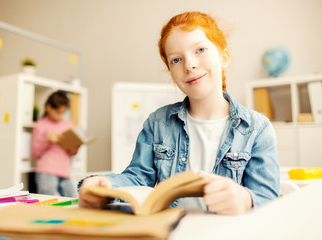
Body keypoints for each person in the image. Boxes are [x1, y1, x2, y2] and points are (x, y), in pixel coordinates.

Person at [78, 11, 280, 215]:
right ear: (170, 70)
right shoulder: (158, 123)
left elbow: (268, 199)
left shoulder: (257, 128)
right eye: (176, 60)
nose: (190, 65)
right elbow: (138, 177)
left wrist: (245, 200)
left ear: (224, 57)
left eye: (200, 49)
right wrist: (105, 184)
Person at [32, 91, 78, 197]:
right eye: (58, 112)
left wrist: (73, 150)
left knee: (74, 201)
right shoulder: (41, 125)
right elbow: (35, 153)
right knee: (48, 203)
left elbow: (71, 153)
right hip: (46, 171)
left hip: (65, 171)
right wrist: (47, 140)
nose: (60, 116)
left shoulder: (68, 124)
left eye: (63, 112)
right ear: (48, 108)